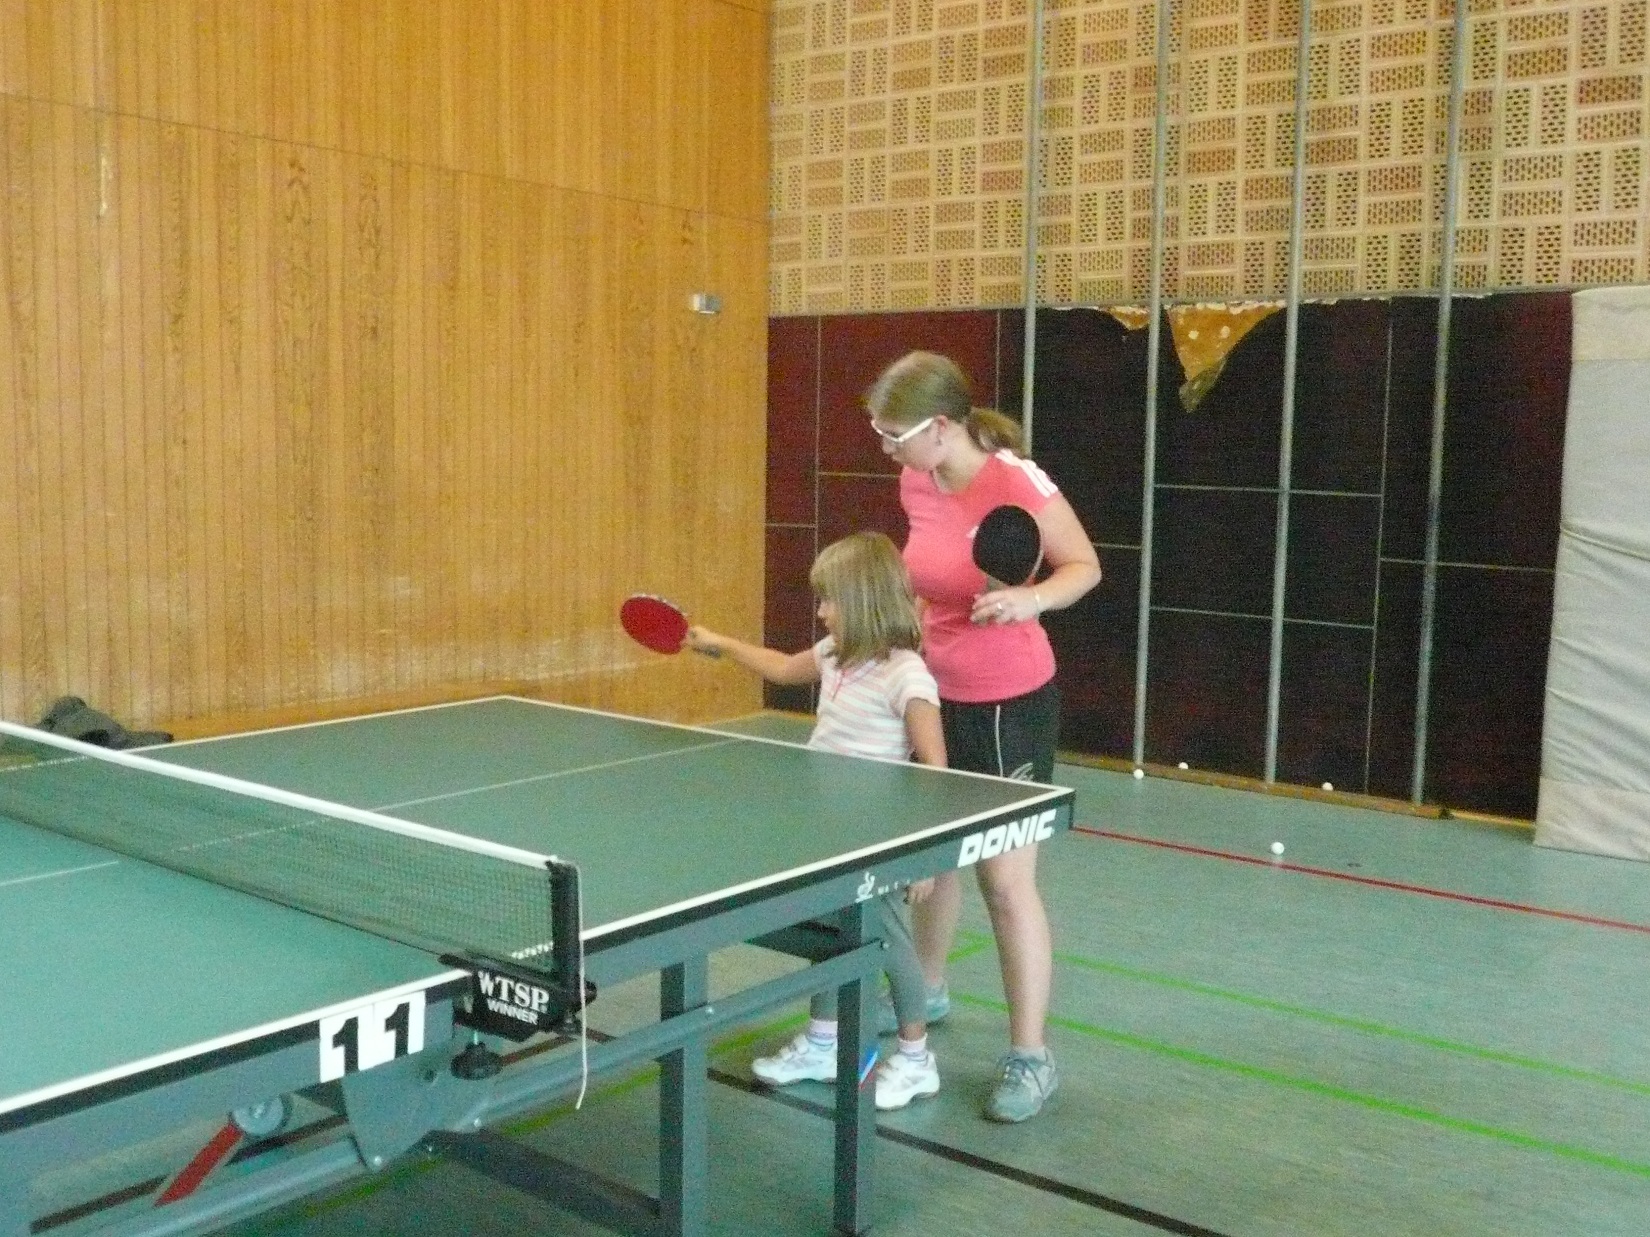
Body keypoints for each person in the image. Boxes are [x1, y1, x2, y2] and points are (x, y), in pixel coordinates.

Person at [864, 350, 1102, 1123]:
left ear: (941, 427)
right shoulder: (917, 479)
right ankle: (925, 989)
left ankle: (1031, 1055)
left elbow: (1084, 566)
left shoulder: (1016, 482)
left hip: (1008, 702)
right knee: (931, 862)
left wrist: (1031, 600)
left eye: (895, 433)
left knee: (1004, 880)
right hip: (932, 695)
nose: (886, 447)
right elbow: (928, 576)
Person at [683, 531, 948, 1111]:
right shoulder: (834, 653)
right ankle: (825, 1044)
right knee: (833, 933)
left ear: (862, 600)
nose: (822, 611)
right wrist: (720, 644)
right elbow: (782, 668)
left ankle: (915, 1059)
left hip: (877, 837)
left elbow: (936, 769)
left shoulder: (906, 676)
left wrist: (926, 857)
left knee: (890, 945)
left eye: (829, 600)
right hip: (827, 832)